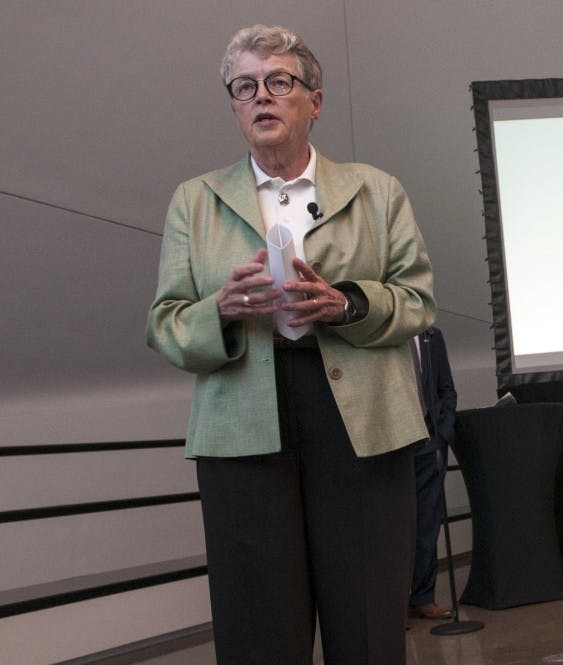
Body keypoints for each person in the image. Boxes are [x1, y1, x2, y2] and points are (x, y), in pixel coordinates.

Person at [146, 24, 434, 665]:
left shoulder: (376, 190)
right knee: (257, 625)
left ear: (315, 100)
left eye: (279, 82)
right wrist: (220, 309)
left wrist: (347, 303)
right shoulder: (194, 202)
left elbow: (417, 300)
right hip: (242, 425)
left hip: (361, 420)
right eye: (245, 87)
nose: (261, 98)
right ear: (234, 105)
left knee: (366, 619)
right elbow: (164, 323)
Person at [409, 326, 458, 620]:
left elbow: (447, 389)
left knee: (428, 523)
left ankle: (423, 597)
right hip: (392, 445)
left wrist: (444, 432)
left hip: (430, 442)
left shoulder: (431, 335)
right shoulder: (381, 331)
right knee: (394, 527)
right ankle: (390, 605)